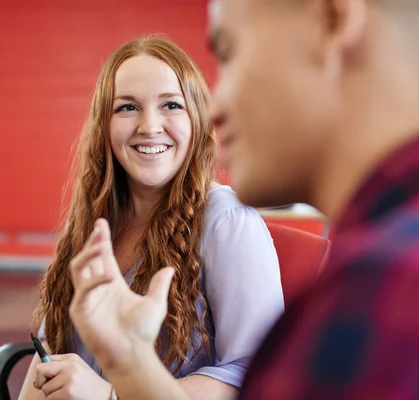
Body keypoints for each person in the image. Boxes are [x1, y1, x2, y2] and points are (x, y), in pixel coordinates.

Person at [63, 0, 419, 399]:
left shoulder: (393, 294)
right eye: (127, 108)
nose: (216, 108)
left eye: (230, 53)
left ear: (332, 20)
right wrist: (131, 365)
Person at [19, 36, 284, 400]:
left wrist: (111, 395)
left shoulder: (227, 222)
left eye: (171, 105)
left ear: (196, 118)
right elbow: (51, 351)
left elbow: (256, 375)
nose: (149, 126)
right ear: (104, 126)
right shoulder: (90, 222)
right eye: (127, 108)